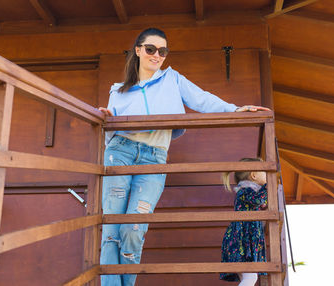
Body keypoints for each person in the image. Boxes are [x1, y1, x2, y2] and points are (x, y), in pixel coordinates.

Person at [98, 27, 270, 286]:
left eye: (162, 51)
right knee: (111, 230)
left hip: (154, 157)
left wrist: (235, 109)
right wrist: (106, 117)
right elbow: (110, 121)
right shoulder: (119, 90)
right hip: (119, 153)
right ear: (138, 51)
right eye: (151, 49)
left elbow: (201, 99)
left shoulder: (172, 79)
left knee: (133, 228)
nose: (157, 55)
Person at [220, 158, 268, 286]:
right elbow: (258, 200)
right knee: (251, 278)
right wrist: (270, 185)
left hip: (245, 242)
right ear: (253, 175)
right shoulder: (245, 191)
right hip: (241, 243)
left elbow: (261, 202)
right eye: (265, 172)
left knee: (250, 278)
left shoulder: (250, 192)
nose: (268, 175)